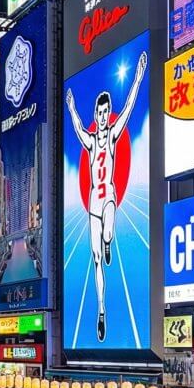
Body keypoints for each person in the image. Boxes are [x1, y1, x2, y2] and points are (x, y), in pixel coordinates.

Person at [66, 48, 148, 342]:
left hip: (109, 196)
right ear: (95, 115)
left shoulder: (112, 135)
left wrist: (138, 77)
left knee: (109, 233)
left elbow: (128, 108)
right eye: (99, 113)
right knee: (96, 259)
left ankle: (109, 240)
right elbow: (77, 127)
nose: (102, 117)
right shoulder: (90, 141)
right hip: (93, 205)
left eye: (105, 112)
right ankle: (101, 311)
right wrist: (71, 107)